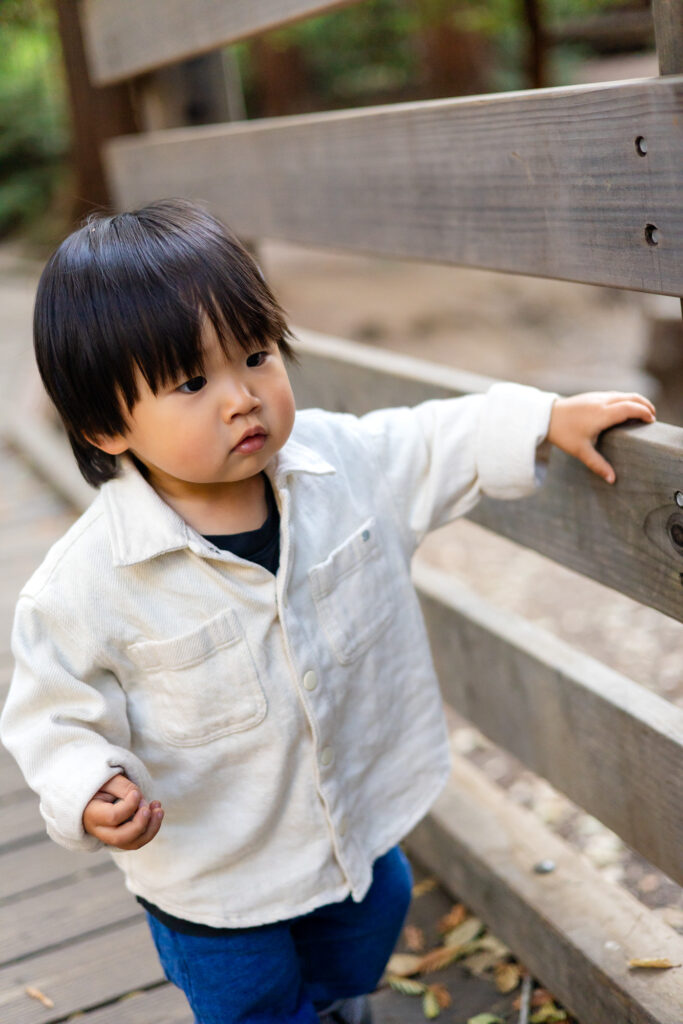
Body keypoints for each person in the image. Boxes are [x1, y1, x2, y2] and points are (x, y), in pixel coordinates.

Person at [0, 198, 655, 1024]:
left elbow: (428, 441)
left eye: (256, 355)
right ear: (105, 424)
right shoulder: (84, 583)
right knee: (251, 1000)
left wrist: (543, 419)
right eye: (193, 382)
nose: (242, 397)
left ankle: (339, 999)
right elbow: (50, 715)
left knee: (367, 929)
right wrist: (88, 787)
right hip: (217, 877)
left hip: (355, 819)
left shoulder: (338, 463)